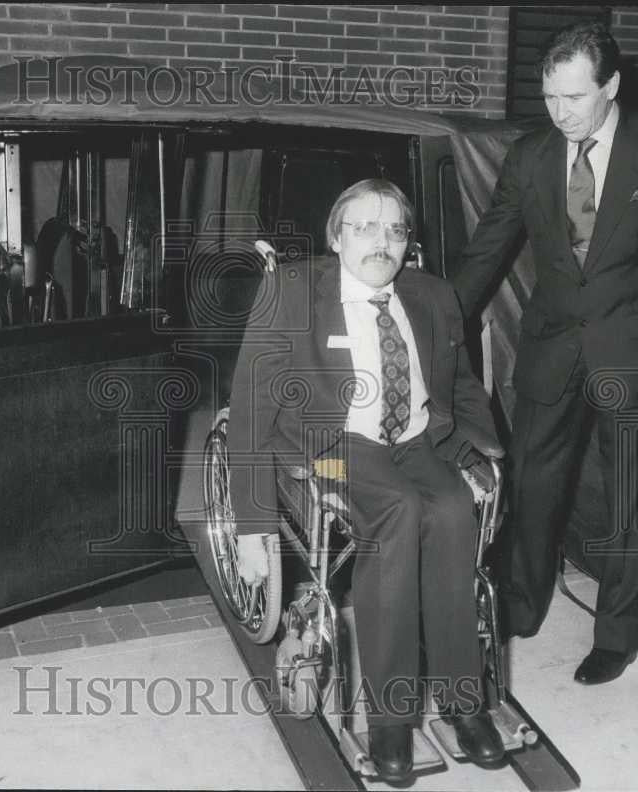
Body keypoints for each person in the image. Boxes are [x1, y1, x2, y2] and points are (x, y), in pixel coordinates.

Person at [228, 179, 506, 784]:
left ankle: (465, 701)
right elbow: (249, 408)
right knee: (400, 512)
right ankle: (390, 717)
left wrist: (483, 450)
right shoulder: (293, 291)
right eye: (364, 227)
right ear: (336, 236)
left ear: (410, 243)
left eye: (395, 230)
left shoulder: (434, 296)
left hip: (414, 438)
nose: (381, 242)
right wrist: (252, 528)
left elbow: (460, 386)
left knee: (456, 511)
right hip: (335, 443)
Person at [453, 21, 638, 685]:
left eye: (576, 98)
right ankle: (522, 605)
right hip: (551, 349)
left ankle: (616, 637)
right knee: (532, 487)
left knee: (631, 501)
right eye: (550, 98)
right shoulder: (531, 156)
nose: (561, 113)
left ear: (612, 86)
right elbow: (488, 250)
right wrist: (435, 323)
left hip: (637, 352)